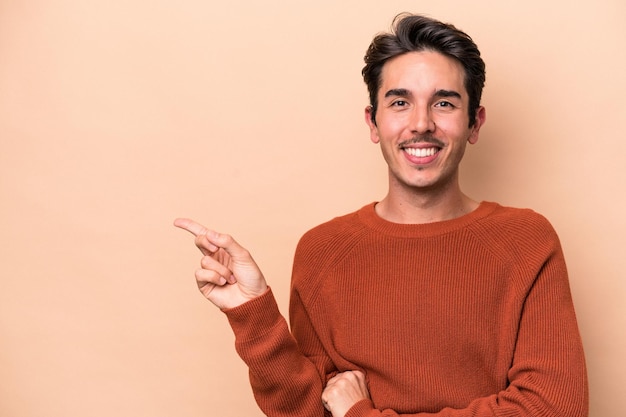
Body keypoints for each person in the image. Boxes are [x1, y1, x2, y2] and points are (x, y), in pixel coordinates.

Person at [174, 13, 588, 417]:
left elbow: (553, 408)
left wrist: (359, 412)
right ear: (374, 122)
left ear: (474, 123)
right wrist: (254, 315)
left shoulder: (526, 240)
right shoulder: (323, 251)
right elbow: (304, 411)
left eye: (444, 102)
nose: (421, 123)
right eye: (400, 102)